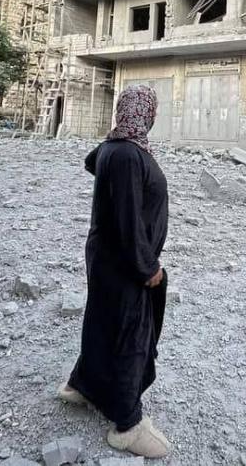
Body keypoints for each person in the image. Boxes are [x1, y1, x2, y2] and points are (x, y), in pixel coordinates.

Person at [57, 85, 171, 459]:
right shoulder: (125, 154)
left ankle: (82, 385)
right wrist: (147, 267)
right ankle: (127, 422)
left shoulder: (116, 147)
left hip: (109, 256)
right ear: (145, 113)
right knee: (131, 332)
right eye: (151, 110)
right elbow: (127, 219)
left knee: (103, 321)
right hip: (124, 261)